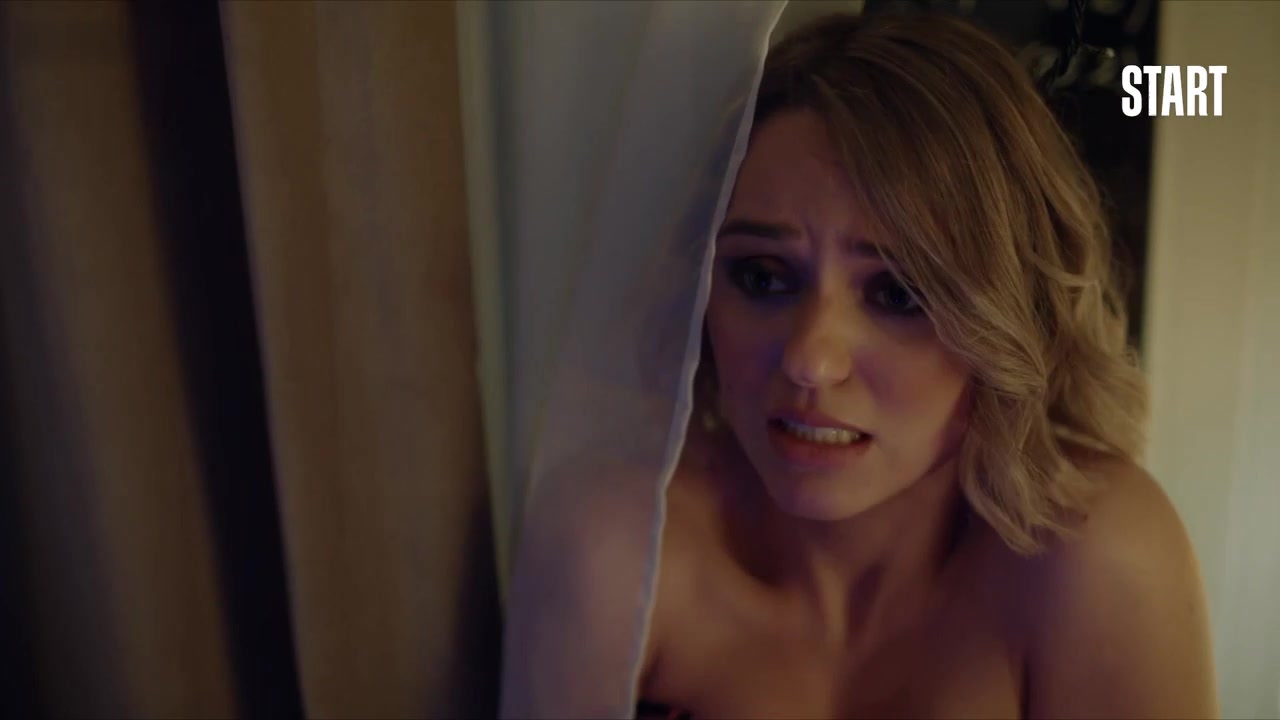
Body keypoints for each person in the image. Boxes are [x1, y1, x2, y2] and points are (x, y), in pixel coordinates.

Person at [635, 10, 1218, 719]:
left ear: (1013, 320)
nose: (811, 360)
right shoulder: (634, 546)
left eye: (899, 295)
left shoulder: (1094, 560)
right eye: (762, 277)